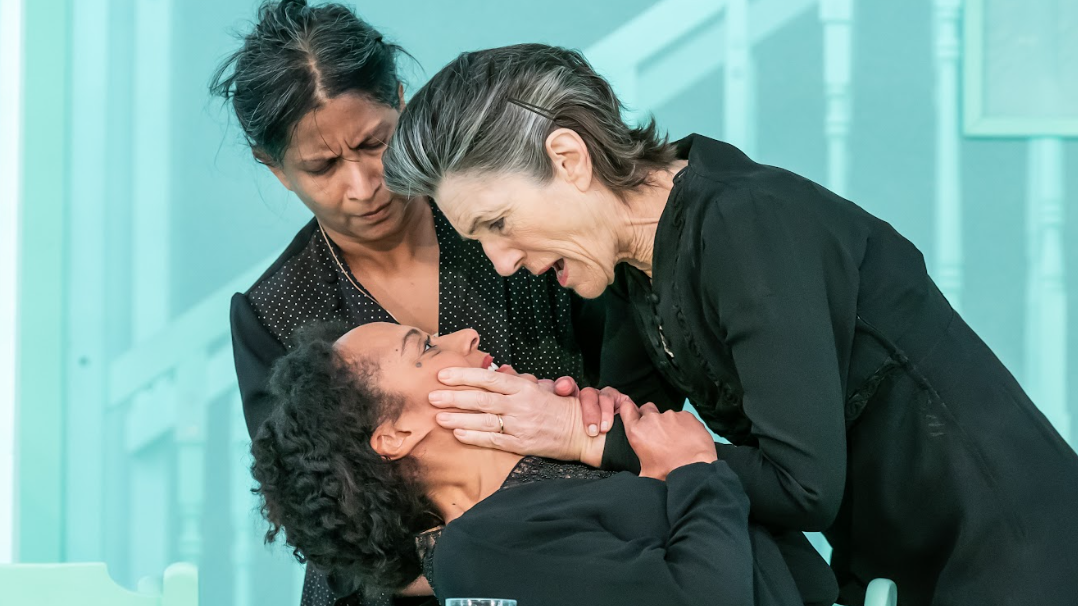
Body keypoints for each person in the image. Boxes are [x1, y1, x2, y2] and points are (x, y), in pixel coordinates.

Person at [380, 43, 1078, 606]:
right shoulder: (629, 271)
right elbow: (626, 437)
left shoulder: (749, 223)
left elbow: (802, 485)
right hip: (902, 563)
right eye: (479, 241)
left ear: (569, 159)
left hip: (1017, 553)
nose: (501, 262)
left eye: (498, 223)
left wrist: (579, 434)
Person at [209, 6, 605, 605]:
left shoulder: (504, 224)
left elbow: (626, 399)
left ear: (400, 99)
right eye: (322, 167)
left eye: (375, 143)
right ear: (276, 167)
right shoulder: (272, 312)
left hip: (591, 555)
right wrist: (480, 562)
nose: (364, 185)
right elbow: (318, 515)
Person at [251, 321, 839, 606]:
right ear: (396, 434)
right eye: (426, 348)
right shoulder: (474, 553)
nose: (466, 335)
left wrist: (617, 448)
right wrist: (692, 473)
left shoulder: (545, 477)